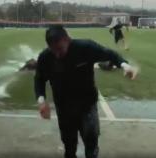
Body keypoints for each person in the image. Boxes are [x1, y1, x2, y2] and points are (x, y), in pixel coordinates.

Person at [34, 25, 137, 158]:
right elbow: (39, 79)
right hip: (64, 108)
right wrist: (41, 101)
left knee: (91, 143)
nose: (57, 54)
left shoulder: (85, 48)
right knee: (69, 145)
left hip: (87, 106)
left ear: (67, 40)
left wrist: (125, 66)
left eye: (60, 49)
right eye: (53, 50)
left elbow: (110, 54)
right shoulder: (45, 57)